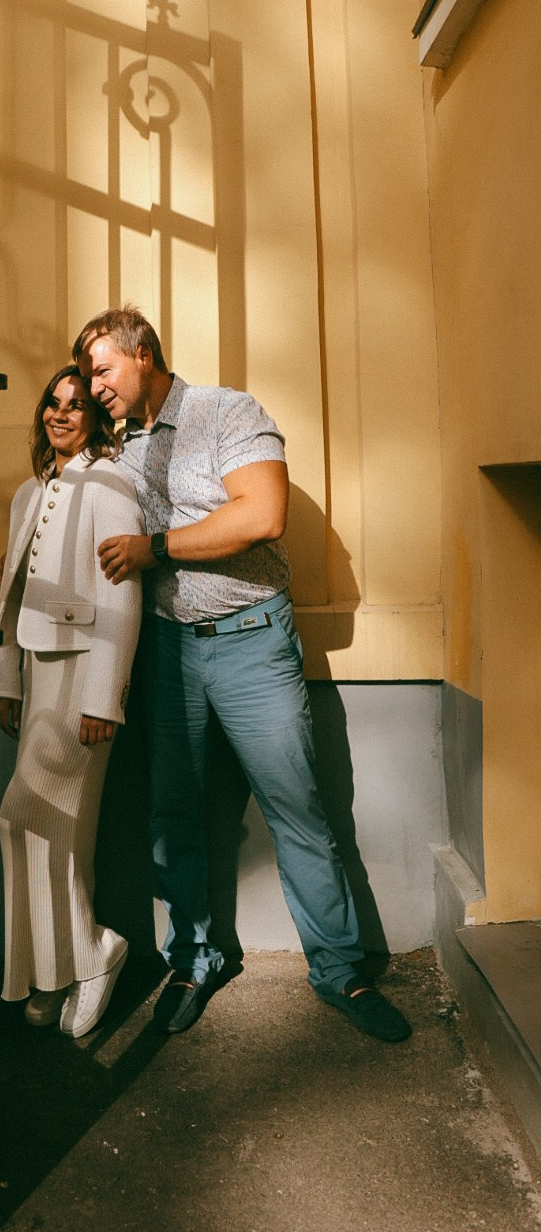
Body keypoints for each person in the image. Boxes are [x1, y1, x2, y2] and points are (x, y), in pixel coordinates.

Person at [72, 305, 411, 1043]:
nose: (92, 386)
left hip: (253, 639)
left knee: (298, 808)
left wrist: (155, 546)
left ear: (143, 354)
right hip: (165, 652)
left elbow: (262, 514)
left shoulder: (225, 411)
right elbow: (71, 515)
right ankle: (195, 961)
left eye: (101, 369)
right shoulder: (117, 451)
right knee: (173, 817)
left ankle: (341, 968)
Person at [0, 364, 144, 1038]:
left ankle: (94, 952)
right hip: (36, 672)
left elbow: (121, 594)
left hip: (82, 677)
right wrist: (5, 679)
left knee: (34, 819)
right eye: (52, 403)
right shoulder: (30, 492)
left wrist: (104, 697)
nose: (61, 414)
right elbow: (11, 596)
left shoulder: (110, 483)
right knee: (40, 828)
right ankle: (53, 971)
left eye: (76, 405)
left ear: (94, 417)